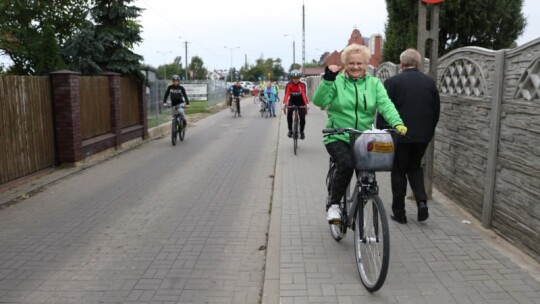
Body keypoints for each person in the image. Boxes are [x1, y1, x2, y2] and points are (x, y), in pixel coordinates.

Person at [312, 44, 407, 223]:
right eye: (351, 63)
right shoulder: (336, 81)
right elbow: (319, 101)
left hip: (363, 137)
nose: (356, 67)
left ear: (366, 64)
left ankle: (360, 207)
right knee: (346, 164)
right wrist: (328, 79)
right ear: (345, 64)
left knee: (369, 179)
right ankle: (333, 205)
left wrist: (397, 123)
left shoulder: (374, 83)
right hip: (337, 134)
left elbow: (385, 105)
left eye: (360, 63)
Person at [376, 48, 440, 224]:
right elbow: (436, 111)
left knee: (398, 170)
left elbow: (384, 109)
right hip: (423, 136)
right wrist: (429, 132)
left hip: (400, 136)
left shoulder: (393, 82)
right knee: (414, 167)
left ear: (401, 63)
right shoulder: (429, 83)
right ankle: (422, 202)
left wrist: (380, 131)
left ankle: (400, 213)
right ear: (418, 64)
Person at [283, 70, 309, 139]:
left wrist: (306, 104)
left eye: (297, 78)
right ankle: (290, 130)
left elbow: (303, 94)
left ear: (299, 78)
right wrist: (284, 103)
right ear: (292, 78)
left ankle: (301, 131)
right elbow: (287, 94)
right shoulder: (289, 84)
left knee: (302, 118)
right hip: (292, 101)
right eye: (294, 78)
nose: (295, 79)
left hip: (301, 102)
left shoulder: (302, 85)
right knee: (289, 114)